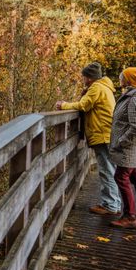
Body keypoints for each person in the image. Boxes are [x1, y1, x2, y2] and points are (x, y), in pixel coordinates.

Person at [56, 62, 121, 215]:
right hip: (106, 133)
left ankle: (111, 206)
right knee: (109, 169)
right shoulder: (104, 87)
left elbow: (84, 105)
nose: (83, 79)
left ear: (90, 78)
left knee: (106, 170)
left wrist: (64, 105)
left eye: (84, 76)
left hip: (102, 133)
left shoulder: (97, 87)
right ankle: (113, 204)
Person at [109, 67, 136, 229]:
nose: (120, 78)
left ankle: (130, 216)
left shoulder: (135, 99)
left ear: (128, 80)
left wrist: (121, 141)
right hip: (132, 149)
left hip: (129, 149)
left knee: (120, 178)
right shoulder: (133, 94)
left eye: (122, 76)